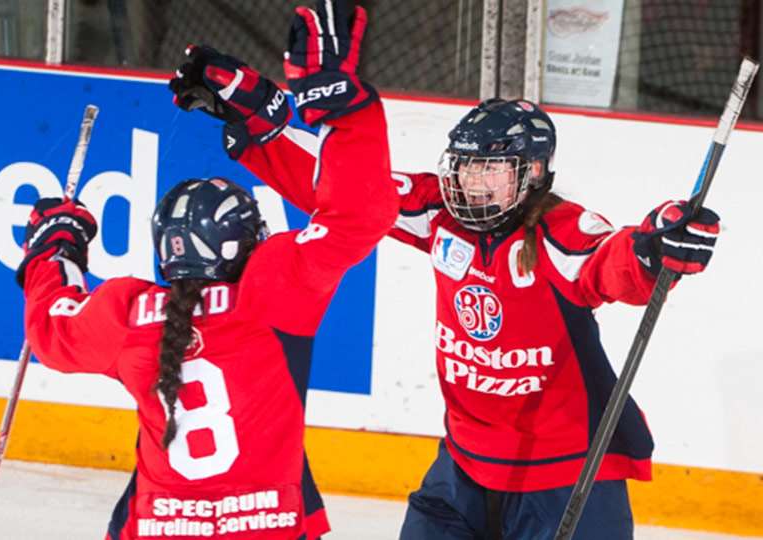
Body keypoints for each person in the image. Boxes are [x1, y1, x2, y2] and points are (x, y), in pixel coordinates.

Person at [237, 94, 722, 537]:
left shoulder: (561, 231)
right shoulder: (439, 214)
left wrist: (654, 248)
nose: (472, 183)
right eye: (466, 168)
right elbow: (347, 192)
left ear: (533, 172)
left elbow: (610, 261)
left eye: (490, 169)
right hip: (462, 470)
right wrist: (257, 132)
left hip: (566, 478)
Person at [16, 1, 394, 538]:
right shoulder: (275, 290)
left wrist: (55, 249)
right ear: (250, 243)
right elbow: (360, 212)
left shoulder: (127, 311)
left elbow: (52, 328)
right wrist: (340, 107)